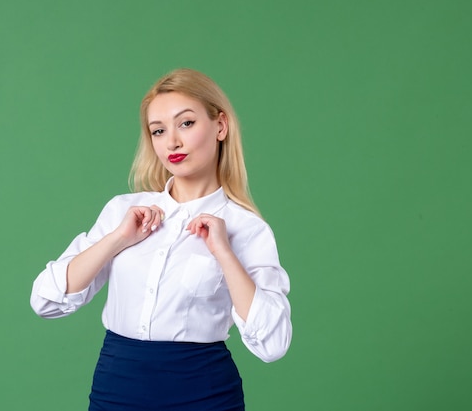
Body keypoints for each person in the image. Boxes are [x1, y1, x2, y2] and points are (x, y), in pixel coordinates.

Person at [30, 68, 292, 411]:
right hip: (116, 389)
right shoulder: (124, 212)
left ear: (220, 126)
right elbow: (46, 302)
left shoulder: (246, 229)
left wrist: (225, 254)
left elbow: (272, 345)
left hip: (204, 394)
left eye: (186, 123)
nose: (172, 142)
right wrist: (118, 239)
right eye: (158, 130)